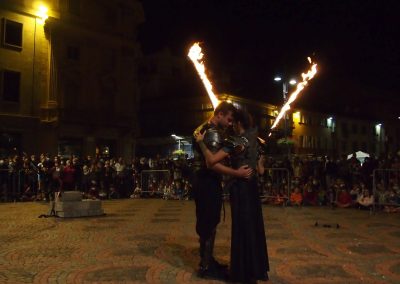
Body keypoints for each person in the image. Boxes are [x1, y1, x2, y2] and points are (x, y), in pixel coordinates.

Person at [195, 108, 269, 283]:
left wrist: (201, 143)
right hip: (252, 187)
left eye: (232, 122)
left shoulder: (235, 141)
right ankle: (255, 269)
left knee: (242, 228)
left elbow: (211, 161)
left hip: (241, 188)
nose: (230, 125)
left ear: (238, 123)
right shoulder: (254, 139)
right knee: (253, 227)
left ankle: (242, 272)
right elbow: (260, 169)